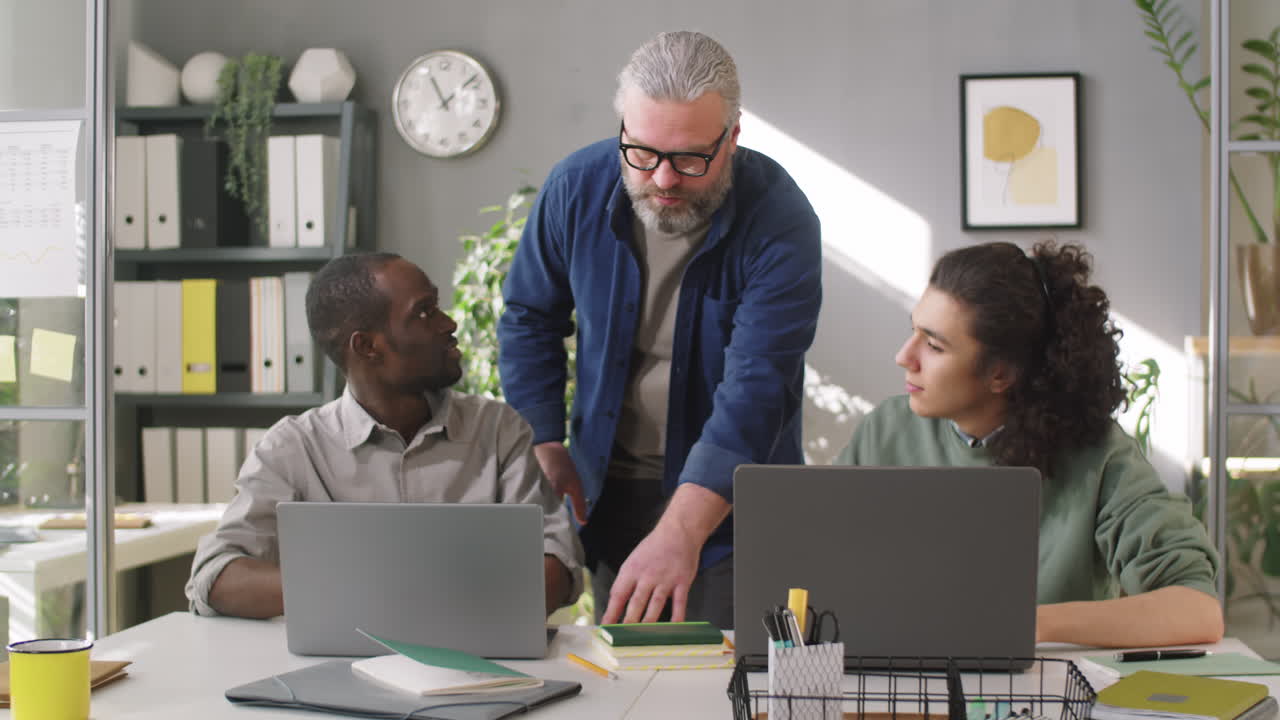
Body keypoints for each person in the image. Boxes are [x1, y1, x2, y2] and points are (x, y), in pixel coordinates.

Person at [497, 31, 821, 628]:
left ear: (733, 138)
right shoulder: (576, 187)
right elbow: (528, 317)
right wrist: (543, 437)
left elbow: (758, 384)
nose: (664, 180)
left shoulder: (781, 218)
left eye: (690, 158)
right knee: (619, 678)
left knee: (714, 684)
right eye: (642, 152)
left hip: (731, 504)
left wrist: (680, 531)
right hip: (608, 485)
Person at [836, 240, 1223, 647]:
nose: (904, 356)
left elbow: (1197, 610)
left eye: (934, 345)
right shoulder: (885, 429)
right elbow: (820, 563)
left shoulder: (1100, 455)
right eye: (913, 331)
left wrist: (1030, 623)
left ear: (1000, 374)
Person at [185, 253, 583, 619]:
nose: (449, 323)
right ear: (368, 346)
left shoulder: (497, 430)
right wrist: (368, 592)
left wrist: (417, 597)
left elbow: (557, 562)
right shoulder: (293, 447)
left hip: (482, 670)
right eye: (424, 312)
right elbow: (215, 576)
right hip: (336, 678)